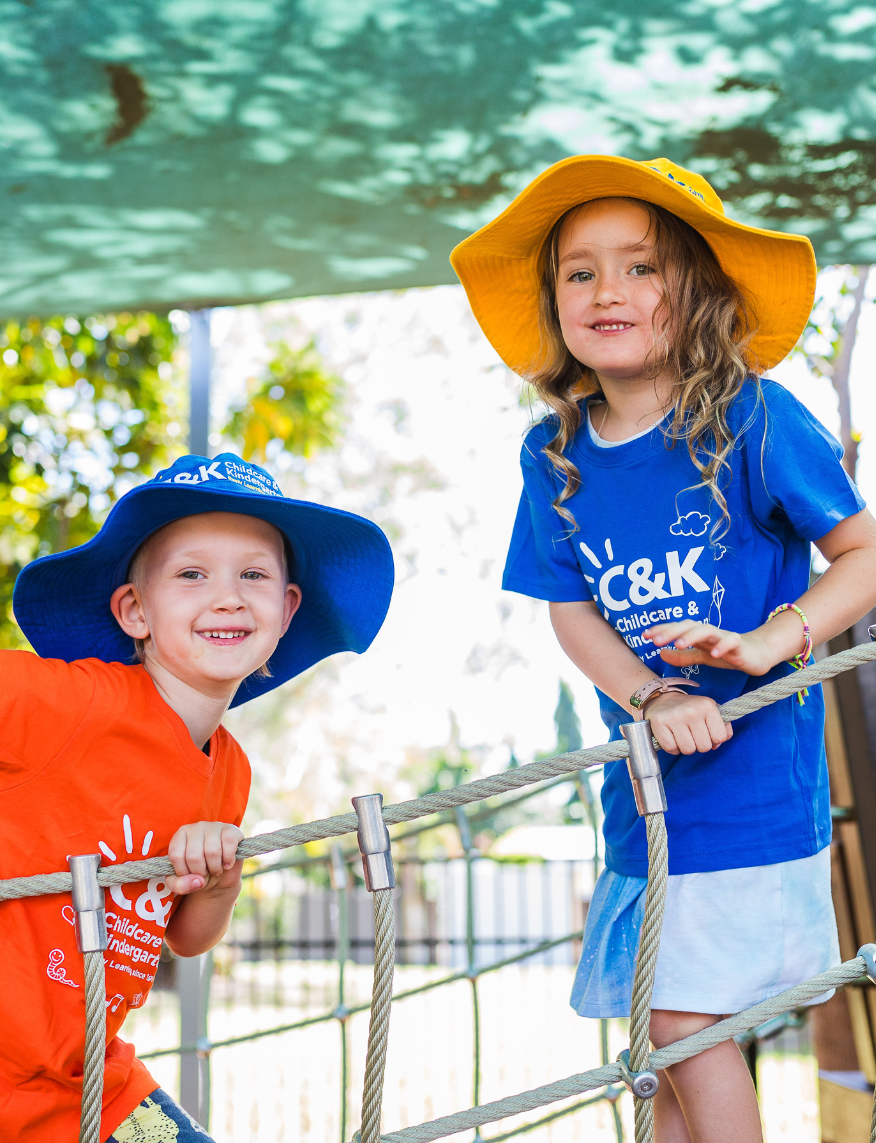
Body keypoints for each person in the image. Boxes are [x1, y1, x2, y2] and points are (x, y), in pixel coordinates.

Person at [451, 156, 876, 1141]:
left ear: (698, 293)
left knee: (684, 1023)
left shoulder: (750, 416)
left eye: (642, 267)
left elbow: (860, 553)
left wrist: (774, 642)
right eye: (581, 272)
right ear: (555, 302)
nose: (609, 291)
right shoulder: (552, 454)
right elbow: (569, 610)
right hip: (642, 809)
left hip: (754, 802)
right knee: (656, 1057)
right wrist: (648, 695)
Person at [0, 452, 393, 1143]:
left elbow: (184, 935)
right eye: (191, 574)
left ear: (286, 609)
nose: (228, 595)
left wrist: (218, 881)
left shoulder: (228, 770)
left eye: (254, 574)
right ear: (134, 609)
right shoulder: (73, 702)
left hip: (88, 1079)